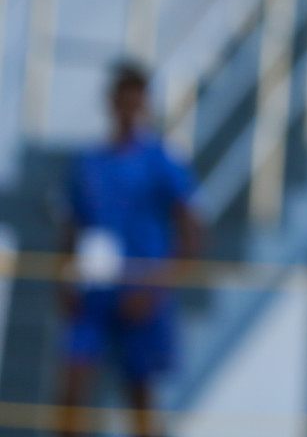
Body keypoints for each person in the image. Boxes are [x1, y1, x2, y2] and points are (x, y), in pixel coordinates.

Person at [56, 61, 201, 437]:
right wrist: (65, 278)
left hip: (142, 290)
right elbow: (72, 225)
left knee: (138, 395)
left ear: (144, 105)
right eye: (122, 99)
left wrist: (158, 284)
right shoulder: (88, 162)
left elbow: (193, 229)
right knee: (72, 387)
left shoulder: (161, 160)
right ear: (110, 102)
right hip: (95, 288)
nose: (128, 108)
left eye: (135, 100)